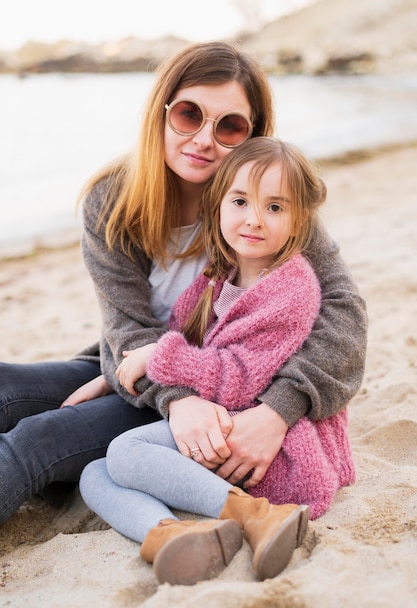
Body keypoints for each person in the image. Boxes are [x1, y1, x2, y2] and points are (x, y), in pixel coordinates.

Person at [0, 41, 367, 527]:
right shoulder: (112, 202)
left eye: (230, 126)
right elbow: (127, 330)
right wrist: (154, 389)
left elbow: (345, 311)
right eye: (190, 114)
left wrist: (278, 410)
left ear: (252, 134)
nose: (204, 139)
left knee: (35, 441)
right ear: (162, 112)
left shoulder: (263, 207)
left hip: (224, 389)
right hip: (146, 365)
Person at [80, 137, 356, 586]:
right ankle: (169, 537)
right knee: (94, 474)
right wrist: (114, 373)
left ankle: (258, 516)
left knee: (126, 452)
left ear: (300, 220)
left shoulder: (290, 289)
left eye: (274, 208)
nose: (253, 219)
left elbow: (240, 378)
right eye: (241, 201)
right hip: (226, 421)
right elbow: (180, 336)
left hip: (267, 442)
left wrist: (158, 358)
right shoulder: (218, 276)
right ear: (218, 205)